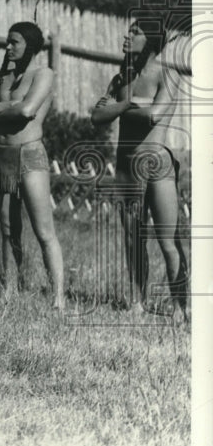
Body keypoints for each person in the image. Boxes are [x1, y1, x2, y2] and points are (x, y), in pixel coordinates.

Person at [90, 17, 189, 318]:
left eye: (136, 32)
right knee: (133, 238)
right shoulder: (121, 77)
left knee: (167, 239)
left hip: (156, 162)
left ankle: (180, 306)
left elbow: (154, 116)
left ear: (152, 41)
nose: (127, 35)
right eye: (129, 30)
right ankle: (137, 302)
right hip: (126, 165)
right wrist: (124, 106)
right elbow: (96, 118)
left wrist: (118, 108)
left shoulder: (167, 74)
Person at [0, 22, 64, 309]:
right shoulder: (3, 76)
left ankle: (58, 298)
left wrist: (0, 110)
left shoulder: (44, 74)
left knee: (43, 230)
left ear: (31, 46)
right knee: (8, 227)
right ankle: (10, 290)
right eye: (7, 41)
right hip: (1, 155)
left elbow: (28, 110)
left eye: (15, 42)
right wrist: (10, 108)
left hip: (30, 154)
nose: (8, 47)